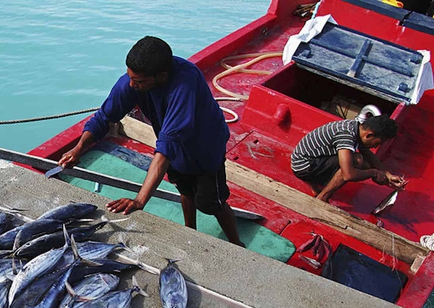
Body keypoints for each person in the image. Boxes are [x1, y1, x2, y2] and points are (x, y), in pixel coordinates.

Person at [58, 36, 244, 247]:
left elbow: (165, 148)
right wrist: (78, 148)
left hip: (205, 146)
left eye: (138, 81)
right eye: (130, 78)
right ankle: (190, 232)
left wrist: (140, 200)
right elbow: (104, 117)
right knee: (184, 189)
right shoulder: (133, 82)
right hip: (175, 144)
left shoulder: (184, 85)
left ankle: (237, 243)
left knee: (211, 203)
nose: (131, 84)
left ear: (161, 76)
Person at [290, 115, 408, 202]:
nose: (375, 146)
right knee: (356, 161)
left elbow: (367, 152)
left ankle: (316, 188)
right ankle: (322, 198)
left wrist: (387, 175)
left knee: (363, 162)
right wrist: (373, 173)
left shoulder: (355, 127)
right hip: (303, 166)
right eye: (377, 143)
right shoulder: (346, 135)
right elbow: (348, 175)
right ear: (369, 135)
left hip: (309, 160)